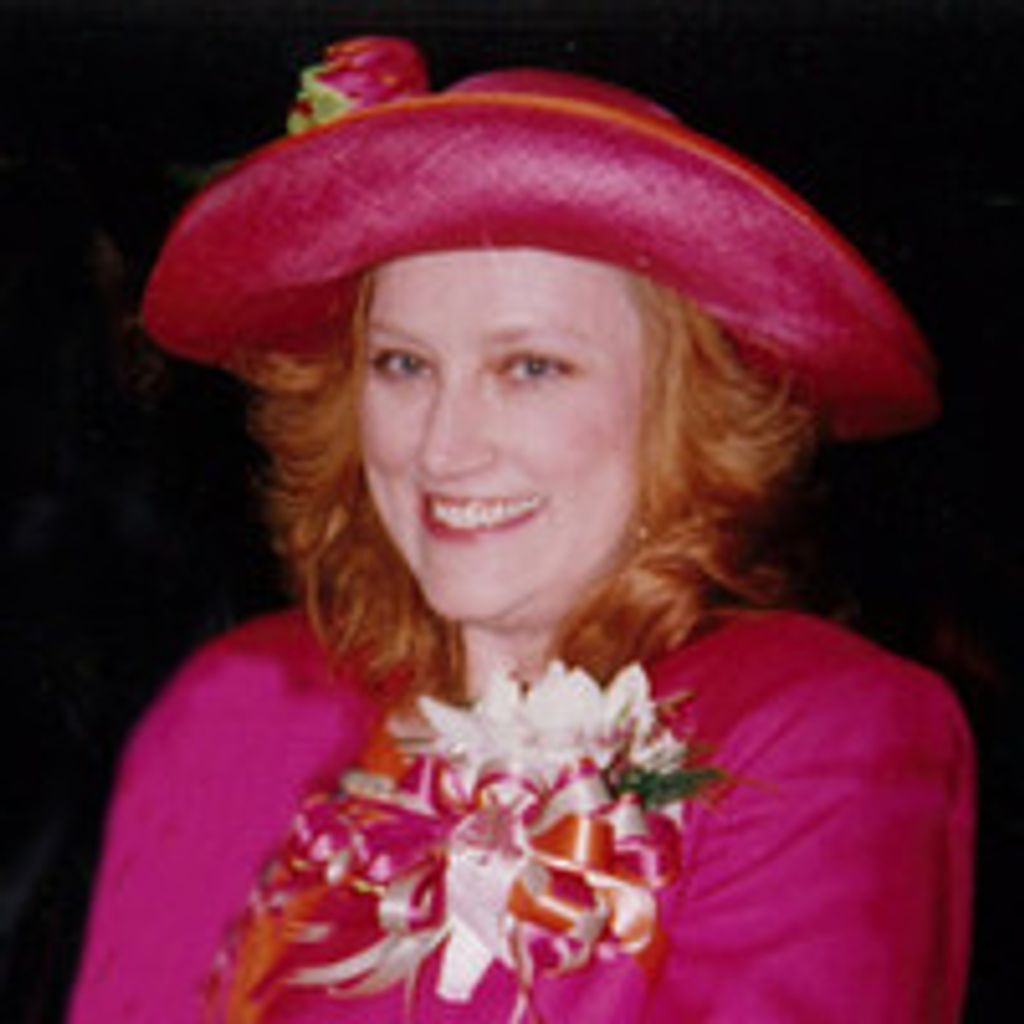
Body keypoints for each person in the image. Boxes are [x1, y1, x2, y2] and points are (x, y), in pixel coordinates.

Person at [70, 36, 973, 1023]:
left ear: (682, 410)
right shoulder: (240, 701)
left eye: (530, 368)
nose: (443, 447)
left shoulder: (818, 732)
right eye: (403, 365)